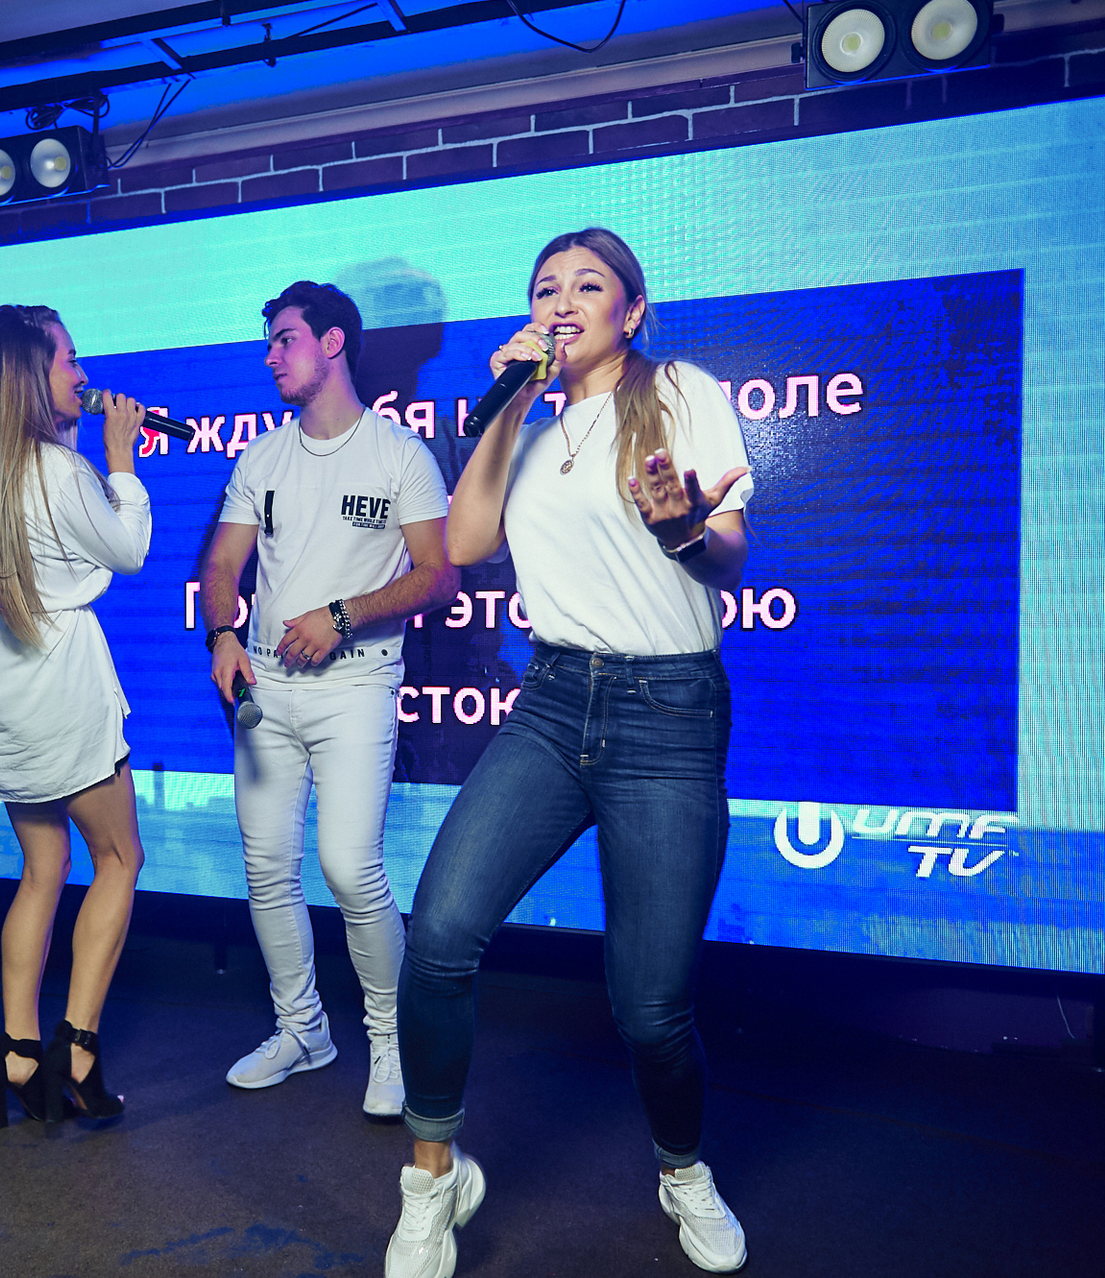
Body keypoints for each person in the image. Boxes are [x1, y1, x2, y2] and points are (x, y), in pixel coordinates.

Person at [383, 228, 754, 1277]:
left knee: (650, 1009)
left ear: (630, 313)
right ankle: (432, 1178)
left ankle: (682, 1169)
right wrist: (507, 404)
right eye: (546, 287)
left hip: (669, 712)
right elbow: (463, 546)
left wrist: (684, 529)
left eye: (589, 285)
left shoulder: (679, 391)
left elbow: (729, 556)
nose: (562, 300)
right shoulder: (530, 425)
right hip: (552, 703)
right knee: (439, 932)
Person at [203, 282, 458, 1117]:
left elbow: (439, 577)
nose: (271, 357)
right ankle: (303, 1030)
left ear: (334, 342)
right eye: (269, 343)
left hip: (356, 685)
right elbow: (222, 565)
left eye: (285, 340)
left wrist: (342, 616)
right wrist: (223, 634)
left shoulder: (400, 455)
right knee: (267, 870)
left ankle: (394, 1041)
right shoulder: (261, 457)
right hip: (265, 691)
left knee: (350, 868)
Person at [0, 304, 151, 1127]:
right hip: (66, 690)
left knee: (41, 868)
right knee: (119, 858)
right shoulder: (64, 472)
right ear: (30, 376)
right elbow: (129, 551)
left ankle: (16, 1052)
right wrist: (121, 461)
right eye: (69, 358)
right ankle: (78, 1052)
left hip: (6, 689)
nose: (83, 372)